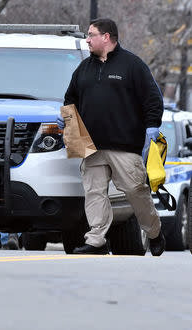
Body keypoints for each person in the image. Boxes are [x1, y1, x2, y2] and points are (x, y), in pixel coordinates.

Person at [58, 18, 165, 256]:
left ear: (106, 37)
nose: (87, 39)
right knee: (94, 193)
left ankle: (155, 232)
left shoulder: (133, 65)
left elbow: (153, 100)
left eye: (91, 34)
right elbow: (70, 99)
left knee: (136, 192)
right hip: (92, 146)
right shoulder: (84, 69)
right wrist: (67, 119)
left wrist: (151, 126)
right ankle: (96, 240)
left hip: (124, 146)